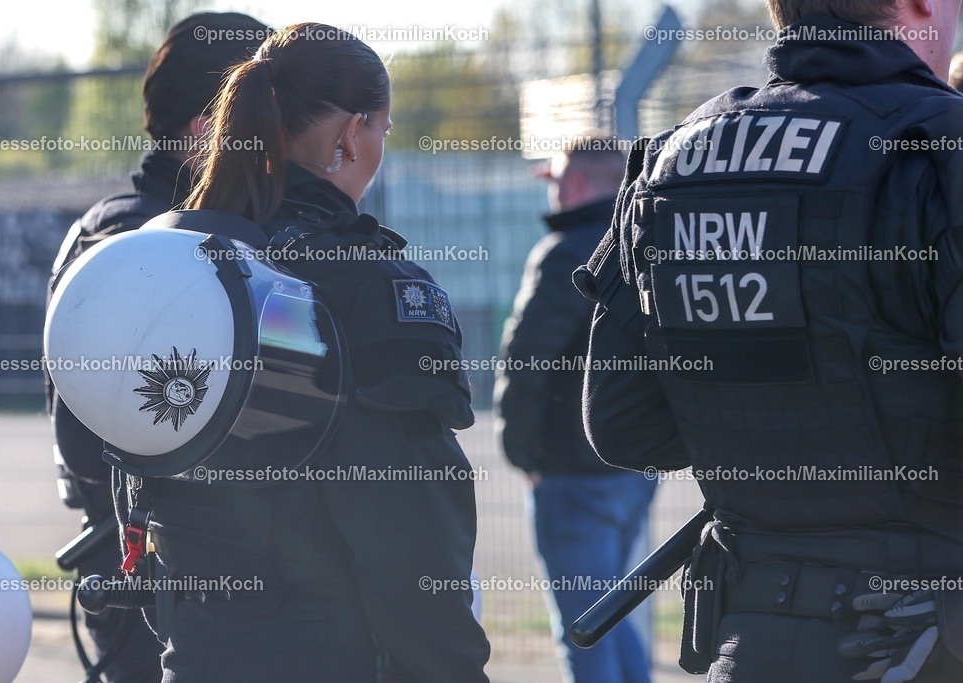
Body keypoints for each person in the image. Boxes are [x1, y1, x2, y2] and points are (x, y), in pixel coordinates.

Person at [575, 1, 963, 682]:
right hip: (924, 640)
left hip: (753, 639)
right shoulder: (941, 147)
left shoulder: (669, 161)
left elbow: (627, 429)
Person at [100, 22, 489, 682]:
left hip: (193, 652)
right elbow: (409, 533)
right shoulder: (368, 287)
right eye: (383, 131)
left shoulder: (171, 265)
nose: (380, 149)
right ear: (349, 135)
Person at [46, 12, 268, 682]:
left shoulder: (117, 230)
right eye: (263, 113)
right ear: (208, 131)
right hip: (156, 574)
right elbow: (95, 442)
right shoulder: (152, 246)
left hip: (144, 570)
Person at [494, 141, 656, 683]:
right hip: (635, 467)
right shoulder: (647, 244)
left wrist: (521, 451)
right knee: (607, 614)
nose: (553, 189)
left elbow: (527, 357)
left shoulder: (567, 252)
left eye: (558, 179)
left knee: (584, 630)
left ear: (580, 186)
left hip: (571, 471)